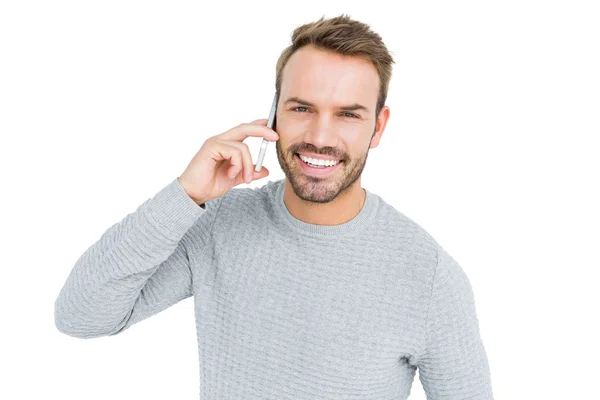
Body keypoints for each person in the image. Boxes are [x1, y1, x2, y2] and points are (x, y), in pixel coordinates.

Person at [54, 14, 494, 400]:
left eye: (348, 114)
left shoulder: (429, 275)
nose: (321, 136)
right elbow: (80, 316)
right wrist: (186, 194)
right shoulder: (218, 223)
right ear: (273, 114)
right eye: (302, 107)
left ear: (377, 127)